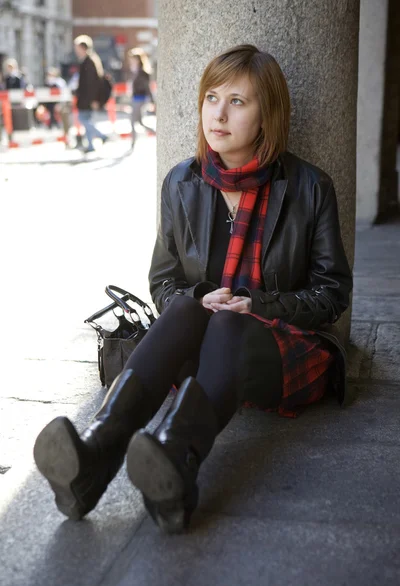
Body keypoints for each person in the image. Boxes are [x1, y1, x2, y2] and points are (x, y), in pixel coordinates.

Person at [33, 44, 353, 534]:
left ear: (267, 115)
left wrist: (258, 303)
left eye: (238, 102)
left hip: (281, 348)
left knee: (228, 320)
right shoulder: (181, 182)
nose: (218, 114)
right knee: (184, 310)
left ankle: (174, 460)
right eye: (211, 98)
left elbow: (331, 292)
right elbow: (163, 281)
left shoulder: (310, 187)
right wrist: (197, 298)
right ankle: (98, 452)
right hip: (203, 343)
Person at [73, 35, 107, 153]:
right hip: (85, 98)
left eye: (77, 48)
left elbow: (92, 84)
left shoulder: (89, 62)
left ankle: (101, 135)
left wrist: (93, 99)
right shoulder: (88, 61)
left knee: (83, 119)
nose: (76, 50)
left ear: (83, 48)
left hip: (86, 98)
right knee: (86, 120)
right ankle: (91, 145)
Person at [128, 49, 156, 147]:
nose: (131, 61)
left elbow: (147, 87)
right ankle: (156, 133)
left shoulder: (142, 72)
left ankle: (133, 141)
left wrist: (152, 101)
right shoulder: (135, 71)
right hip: (135, 98)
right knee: (139, 122)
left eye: (133, 59)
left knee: (133, 120)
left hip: (140, 98)